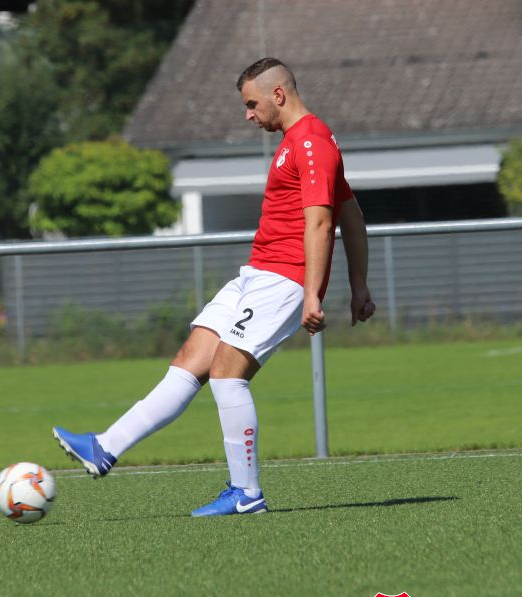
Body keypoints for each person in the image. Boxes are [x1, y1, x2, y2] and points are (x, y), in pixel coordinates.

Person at [51, 57, 376, 516]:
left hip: (283, 280)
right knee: (192, 358)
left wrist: (311, 293)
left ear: (278, 94)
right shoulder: (297, 142)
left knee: (227, 373)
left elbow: (324, 223)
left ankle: (246, 493)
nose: (247, 115)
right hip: (256, 273)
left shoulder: (311, 143)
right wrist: (360, 286)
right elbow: (353, 215)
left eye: (252, 104)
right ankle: (105, 446)